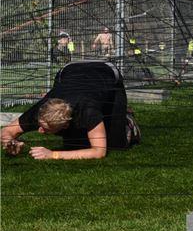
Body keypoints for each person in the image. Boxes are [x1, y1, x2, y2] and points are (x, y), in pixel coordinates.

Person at [1, 61, 139, 160]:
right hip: (70, 70)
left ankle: (127, 120)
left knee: (115, 145)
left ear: (66, 124)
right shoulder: (42, 109)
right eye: (41, 126)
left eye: (46, 129)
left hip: (106, 72)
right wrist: (10, 143)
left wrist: (53, 154)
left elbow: (99, 152)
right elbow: (7, 131)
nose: (40, 131)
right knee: (73, 144)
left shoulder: (88, 110)